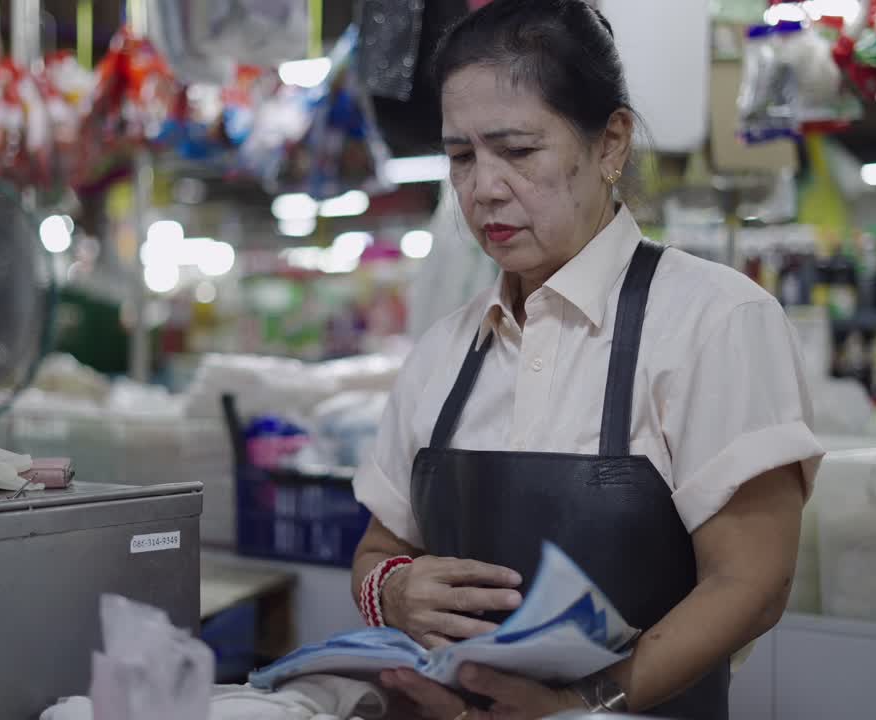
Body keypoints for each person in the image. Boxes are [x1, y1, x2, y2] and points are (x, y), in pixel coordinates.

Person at [350, 1, 823, 718]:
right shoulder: (444, 351)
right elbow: (379, 547)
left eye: (517, 150)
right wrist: (388, 590)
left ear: (610, 145)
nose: (482, 188)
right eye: (460, 156)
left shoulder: (714, 321)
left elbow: (751, 584)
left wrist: (582, 705)